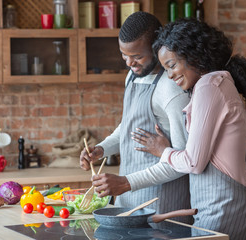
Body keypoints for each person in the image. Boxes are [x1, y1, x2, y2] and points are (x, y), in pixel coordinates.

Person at [132, 18, 246, 240]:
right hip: (225, 204)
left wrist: (163, 151)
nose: (170, 76)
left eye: (171, 65)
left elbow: (194, 162)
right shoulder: (217, 82)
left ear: (193, 55)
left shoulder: (209, 87)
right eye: (165, 69)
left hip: (224, 207)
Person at [79, 11, 192, 222]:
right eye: (124, 55)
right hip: (128, 201)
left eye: (137, 56)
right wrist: (102, 149)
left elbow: (183, 160)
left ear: (157, 47)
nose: (129, 63)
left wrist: (124, 182)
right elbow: (128, 128)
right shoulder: (133, 76)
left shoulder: (171, 89)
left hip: (161, 206)